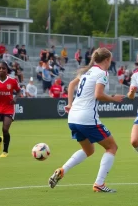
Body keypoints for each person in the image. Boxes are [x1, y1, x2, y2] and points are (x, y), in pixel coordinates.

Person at [48, 48, 125, 192]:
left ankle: (62, 170)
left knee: (88, 150)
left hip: (73, 118)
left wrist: (70, 104)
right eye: (110, 60)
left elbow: (71, 84)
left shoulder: (87, 72)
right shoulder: (102, 73)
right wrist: (113, 99)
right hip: (87, 118)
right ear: (107, 60)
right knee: (112, 147)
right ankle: (99, 184)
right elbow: (98, 95)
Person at [0, 61, 21, 158]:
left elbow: (19, 92)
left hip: (9, 108)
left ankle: (5, 151)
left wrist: (15, 98)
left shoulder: (12, 81)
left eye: (3, 68)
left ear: (7, 70)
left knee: (5, 129)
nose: (1, 70)